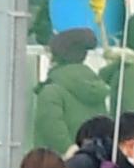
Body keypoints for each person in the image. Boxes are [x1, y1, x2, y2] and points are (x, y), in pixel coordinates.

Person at [27, 26, 114, 161]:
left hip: (56, 166)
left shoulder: (51, 91)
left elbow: (51, 127)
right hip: (94, 163)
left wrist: (69, 150)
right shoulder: (95, 87)